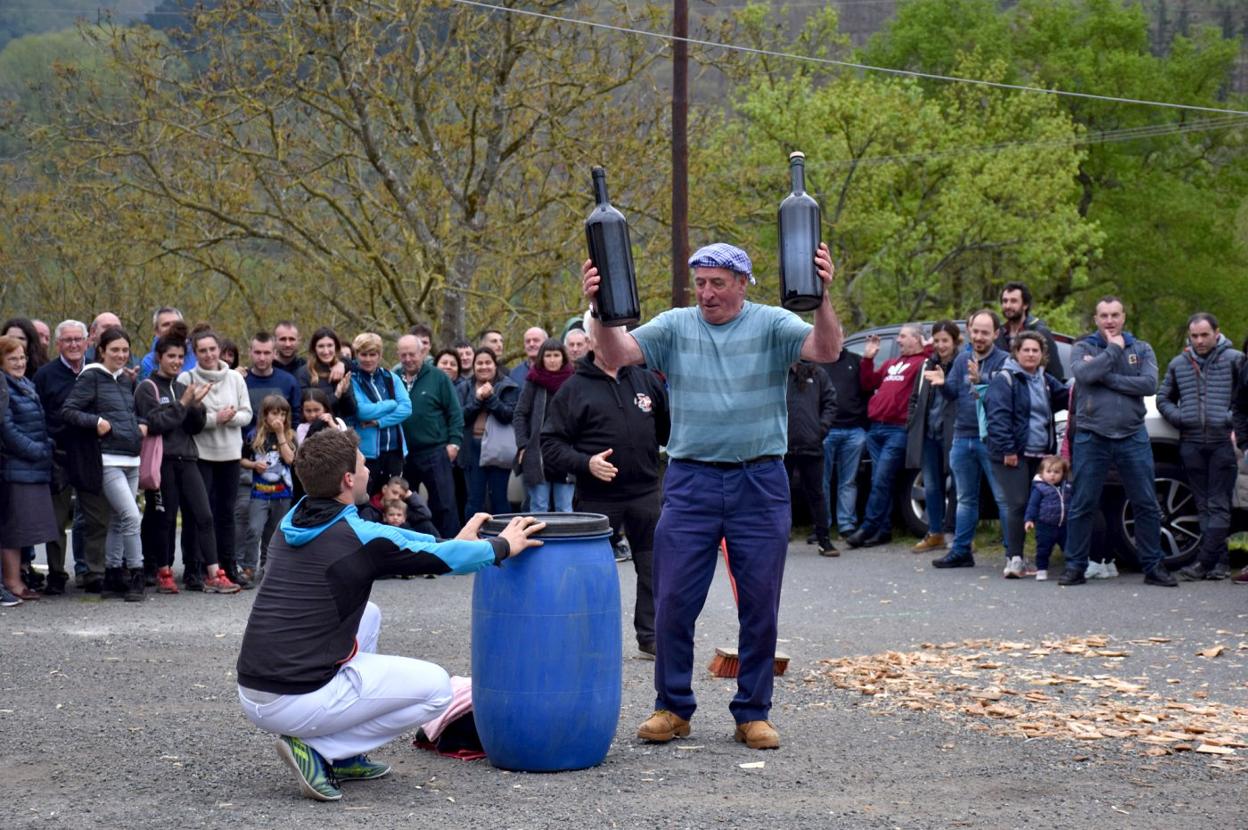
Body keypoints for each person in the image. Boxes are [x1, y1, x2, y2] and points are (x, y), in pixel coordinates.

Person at [584, 239, 841, 751]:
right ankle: (672, 708)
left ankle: (753, 712)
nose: (706, 294)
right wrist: (599, 306)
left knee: (760, 603)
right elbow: (613, 353)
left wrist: (825, 295)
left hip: (760, 481)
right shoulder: (677, 324)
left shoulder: (771, 323)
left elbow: (827, 349)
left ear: (743, 284)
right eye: (700, 283)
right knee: (674, 599)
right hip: (690, 480)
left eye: (717, 283)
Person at [234, 428, 545, 802]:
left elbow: (403, 542)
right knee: (436, 690)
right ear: (349, 479)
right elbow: (438, 559)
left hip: (254, 690)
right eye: (364, 464)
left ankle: (343, 756)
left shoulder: (293, 523)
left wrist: (455, 542)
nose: (370, 470)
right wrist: (501, 546)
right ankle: (323, 749)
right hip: (295, 698)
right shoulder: (357, 537)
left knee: (369, 613)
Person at [542, 328, 670, 659]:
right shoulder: (573, 389)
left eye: (621, 334)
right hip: (598, 498)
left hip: (645, 493)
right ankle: (586, 638)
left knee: (654, 567)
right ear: (592, 340)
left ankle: (651, 636)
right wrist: (585, 463)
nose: (616, 341)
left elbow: (669, 430)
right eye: (608, 334)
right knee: (590, 573)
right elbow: (551, 445)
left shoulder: (646, 381)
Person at [1059, 296, 1175, 587]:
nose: (1110, 320)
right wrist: (1113, 351)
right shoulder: (1083, 347)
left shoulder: (1142, 348)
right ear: (1096, 319)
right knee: (1083, 503)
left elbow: (1148, 385)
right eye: (1104, 316)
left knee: (1146, 503)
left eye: (1115, 315)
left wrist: (1105, 376)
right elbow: (1084, 375)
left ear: (1123, 317)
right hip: (1091, 435)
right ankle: (1075, 567)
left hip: (1132, 434)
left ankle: (1154, 567)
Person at [134, 331, 239, 594]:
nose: (176, 361)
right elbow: (156, 423)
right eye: (171, 356)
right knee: (165, 519)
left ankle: (215, 573)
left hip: (188, 457)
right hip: (163, 461)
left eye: (181, 357)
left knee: (204, 515)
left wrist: (196, 407)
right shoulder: (148, 388)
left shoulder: (183, 387)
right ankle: (163, 571)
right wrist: (183, 404)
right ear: (159, 357)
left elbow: (194, 426)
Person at [61, 327, 148, 601]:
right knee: (132, 516)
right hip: (108, 459)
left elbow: (131, 412)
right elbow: (69, 411)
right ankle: (136, 574)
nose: (121, 355)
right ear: (101, 351)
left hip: (132, 458)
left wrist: (140, 425)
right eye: (115, 350)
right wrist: (96, 422)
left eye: (125, 350)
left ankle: (112, 576)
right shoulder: (91, 377)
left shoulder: (126, 380)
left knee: (119, 520)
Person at [1160, 312, 1243, 581]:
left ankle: (1204, 563)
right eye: (1194, 336)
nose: (1199, 341)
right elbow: (1163, 399)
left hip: (1223, 443)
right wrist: (1182, 418)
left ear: (1217, 332)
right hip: (1191, 443)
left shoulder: (1236, 360)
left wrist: (1230, 421)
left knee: (1219, 504)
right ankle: (1218, 564)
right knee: (1203, 505)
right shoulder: (1178, 364)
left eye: (1205, 334)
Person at [927, 310, 1011, 570]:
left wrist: (982, 380)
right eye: (975, 332)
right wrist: (942, 383)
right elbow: (953, 393)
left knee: (1003, 498)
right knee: (965, 498)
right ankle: (962, 551)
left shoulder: (1005, 360)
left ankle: (1013, 553)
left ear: (996, 334)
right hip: (962, 437)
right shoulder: (962, 358)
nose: (979, 337)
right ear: (969, 332)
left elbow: (1007, 396)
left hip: (992, 440)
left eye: (985, 333)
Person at [984, 331, 1069, 578]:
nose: (1031, 354)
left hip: (1041, 455)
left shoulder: (1044, 380)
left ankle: (1038, 555)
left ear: (1042, 355)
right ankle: (1014, 558)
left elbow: (1065, 396)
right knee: (1018, 504)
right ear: (1016, 352)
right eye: (1026, 350)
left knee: (1038, 505)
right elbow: (998, 418)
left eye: (1035, 350)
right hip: (1014, 454)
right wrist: (1008, 449)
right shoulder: (1005, 379)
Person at [34, 319, 109, 594]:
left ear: (88, 342)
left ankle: (93, 572)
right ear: (58, 344)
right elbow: (38, 414)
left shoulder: (97, 372)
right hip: (59, 454)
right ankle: (56, 573)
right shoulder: (45, 375)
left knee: (97, 517)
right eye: (68, 340)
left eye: (78, 339)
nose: (74, 344)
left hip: (91, 453)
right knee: (55, 520)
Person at [846, 325, 932, 548]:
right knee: (879, 481)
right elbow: (867, 383)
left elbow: (935, 364)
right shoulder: (891, 364)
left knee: (882, 479)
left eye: (903, 336)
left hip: (898, 429)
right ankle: (883, 531)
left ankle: (868, 527)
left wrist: (928, 347)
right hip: (876, 429)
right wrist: (868, 358)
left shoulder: (921, 363)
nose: (898, 340)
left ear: (917, 339)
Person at [180, 330, 253, 588]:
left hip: (230, 455)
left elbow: (247, 414)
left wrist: (230, 417)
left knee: (226, 513)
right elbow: (186, 420)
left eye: (213, 349)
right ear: (195, 353)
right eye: (203, 351)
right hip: (200, 455)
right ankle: (194, 567)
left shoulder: (234, 378)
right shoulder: (187, 379)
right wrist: (214, 419)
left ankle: (228, 565)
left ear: (220, 350)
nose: (209, 355)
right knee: (198, 514)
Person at [0, 335, 58, 604]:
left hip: (33, 466)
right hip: (17, 466)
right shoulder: (4, 387)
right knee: (14, 529)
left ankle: (18, 578)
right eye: (12, 358)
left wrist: (46, 445)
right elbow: (7, 430)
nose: (19, 363)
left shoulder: (24, 384)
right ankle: (12, 581)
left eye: (22, 357)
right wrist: (37, 450)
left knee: (25, 528)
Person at [397, 330, 464, 538]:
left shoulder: (438, 377)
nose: (408, 359)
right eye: (403, 355)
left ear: (422, 353)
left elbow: (454, 412)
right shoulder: (393, 378)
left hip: (435, 450)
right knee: (406, 504)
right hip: (404, 453)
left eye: (412, 354)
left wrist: (454, 443)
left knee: (444, 503)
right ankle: (416, 547)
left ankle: (448, 547)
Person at [906, 320, 960, 552]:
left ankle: (957, 534)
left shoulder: (961, 363)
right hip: (928, 432)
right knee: (932, 486)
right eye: (936, 341)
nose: (940, 345)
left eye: (945, 340)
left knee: (958, 486)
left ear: (955, 341)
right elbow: (915, 398)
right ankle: (935, 532)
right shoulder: (927, 364)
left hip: (954, 433)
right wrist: (912, 422)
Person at [239, 395, 296, 583]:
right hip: (259, 493)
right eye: (274, 413)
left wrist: (280, 434)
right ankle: (248, 566)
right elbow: (242, 459)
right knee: (254, 529)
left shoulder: (290, 436)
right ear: (265, 415)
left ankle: (268, 567)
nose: (278, 418)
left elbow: (290, 459)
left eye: (282, 414)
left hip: (282, 494)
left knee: (274, 533)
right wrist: (254, 465)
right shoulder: (253, 436)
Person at [514, 338, 576, 513]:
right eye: (548, 355)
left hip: (565, 451)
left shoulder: (573, 382)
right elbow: (519, 414)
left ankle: (566, 541)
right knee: (538, 507)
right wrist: (523, 444)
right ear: (542, 358)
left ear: (563, 357)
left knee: (565, 508)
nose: (552, 360)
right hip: (537, 453)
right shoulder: (533, 381)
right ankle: (540, 541)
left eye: (556, 355)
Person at [457, 348, 519, 517]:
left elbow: (509, 415)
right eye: (480, 363)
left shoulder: (509, 386)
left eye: (488, 363)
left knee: (499, 498)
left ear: (495, 365)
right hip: (471, 448)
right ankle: (472, 538)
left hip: (498, 448)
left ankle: (504, 538)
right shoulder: (463, 388)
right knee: (474, 500)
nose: (484, 367)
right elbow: (459, 417)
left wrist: (491, 398)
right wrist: (477, 400)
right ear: (474, 365)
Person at [347, 333, 411, 496]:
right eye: (363, 354)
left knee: (392, 502)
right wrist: (391, 404)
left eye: (372, 354)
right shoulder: (353, 380)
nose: (368, 359)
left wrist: (379, 422)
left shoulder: (391, 378)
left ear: (379, 355)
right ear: (356, 355)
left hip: (395, 452)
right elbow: (362, 411)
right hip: (368, 455)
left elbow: (406, 408)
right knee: (366, 498)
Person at [818, 329, 868, 539]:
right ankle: (823, 525)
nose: (833, 338)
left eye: (837, 334)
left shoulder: (856, 361)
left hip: (854, 431)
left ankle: (846, 524)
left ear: (843, 336)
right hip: (825, 432)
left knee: (848, 481)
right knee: (822, 480)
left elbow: (868, 388)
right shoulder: (818, 362)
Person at [784, 361, 837, 555]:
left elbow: (831, 402)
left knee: (817, 493)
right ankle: (778, 539)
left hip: (811, 444)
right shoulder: (781, 372)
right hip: (783, 445)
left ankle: (824, 540)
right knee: (779, 494)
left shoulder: (818, 374)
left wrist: (820, 430)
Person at [996, 282, 1064, 379]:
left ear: (1025, 305)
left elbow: (1055, 374)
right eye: (1005, 301)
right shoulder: (998, 333)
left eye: (1013, 301)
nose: (1008, 306)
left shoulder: (1040, 332)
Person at [1024, 455, 1072, 581]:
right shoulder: (1040, 488)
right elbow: (1033, 505)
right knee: (1043, 549)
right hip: (1045, 525)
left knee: (1069, 548)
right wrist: (1029, 519)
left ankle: (1071, 568)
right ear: (1042, 473)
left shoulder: (1067, 487)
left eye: (1057, 472)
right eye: (1049, 472)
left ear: (1063, 473)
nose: (1052, 475)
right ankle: (1041, 569)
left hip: (1064, 525)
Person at [294, 327, 354, 419]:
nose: (326, 351)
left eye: (330, 345)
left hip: (340, 429)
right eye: (321, 346)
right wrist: (336, 395)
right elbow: (308, 411)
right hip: (315, 430)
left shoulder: (343, 369)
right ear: (314, 349)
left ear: (336, 347)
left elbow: (351, 410)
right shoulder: (303, 373)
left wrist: (345, 393)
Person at [138, 307, 193, 380]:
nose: (171, 328)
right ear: (156, 331)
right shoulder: (148, 362)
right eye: (166, 325)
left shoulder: (198, 352)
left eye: (175, 323)